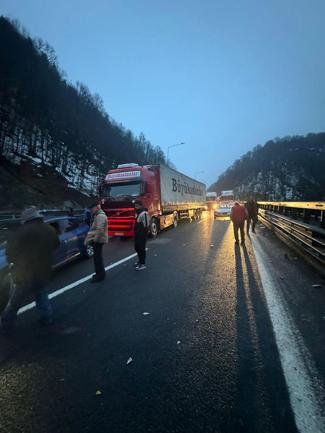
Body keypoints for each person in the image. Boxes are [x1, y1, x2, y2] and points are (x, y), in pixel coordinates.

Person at [1, 207, 59, 331]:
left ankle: (6, 325)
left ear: (26, 219)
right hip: (44, 270)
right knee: (41, 294)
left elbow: (10, 252)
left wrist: (15, 261)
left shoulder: (20, 232)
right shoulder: (49, 229)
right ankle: (47, 318)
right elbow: (56, 245)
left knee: (14, 301)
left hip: (24, 273)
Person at [85, 203, 108, 282]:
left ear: (96, 207)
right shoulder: (97, 215)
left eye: (92, 208)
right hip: (98, 239)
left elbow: (100, 229)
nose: (91, 210)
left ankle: (100, 275)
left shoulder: (100, 216)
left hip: (98, 240)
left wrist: (95, 239)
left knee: (98, 259)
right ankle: (99, 273)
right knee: (97, 258)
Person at [134, 200, 149, 271]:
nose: (135, 207)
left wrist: (143, 234)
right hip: (137, 234)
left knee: (141, 249)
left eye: (137, 206)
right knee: (137, 248)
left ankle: (142, 264)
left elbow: (146, 225)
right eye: (135, 206)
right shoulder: (137, 213)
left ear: (140, 205)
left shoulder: (144, 213)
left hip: (142, 234)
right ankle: (140, 261)